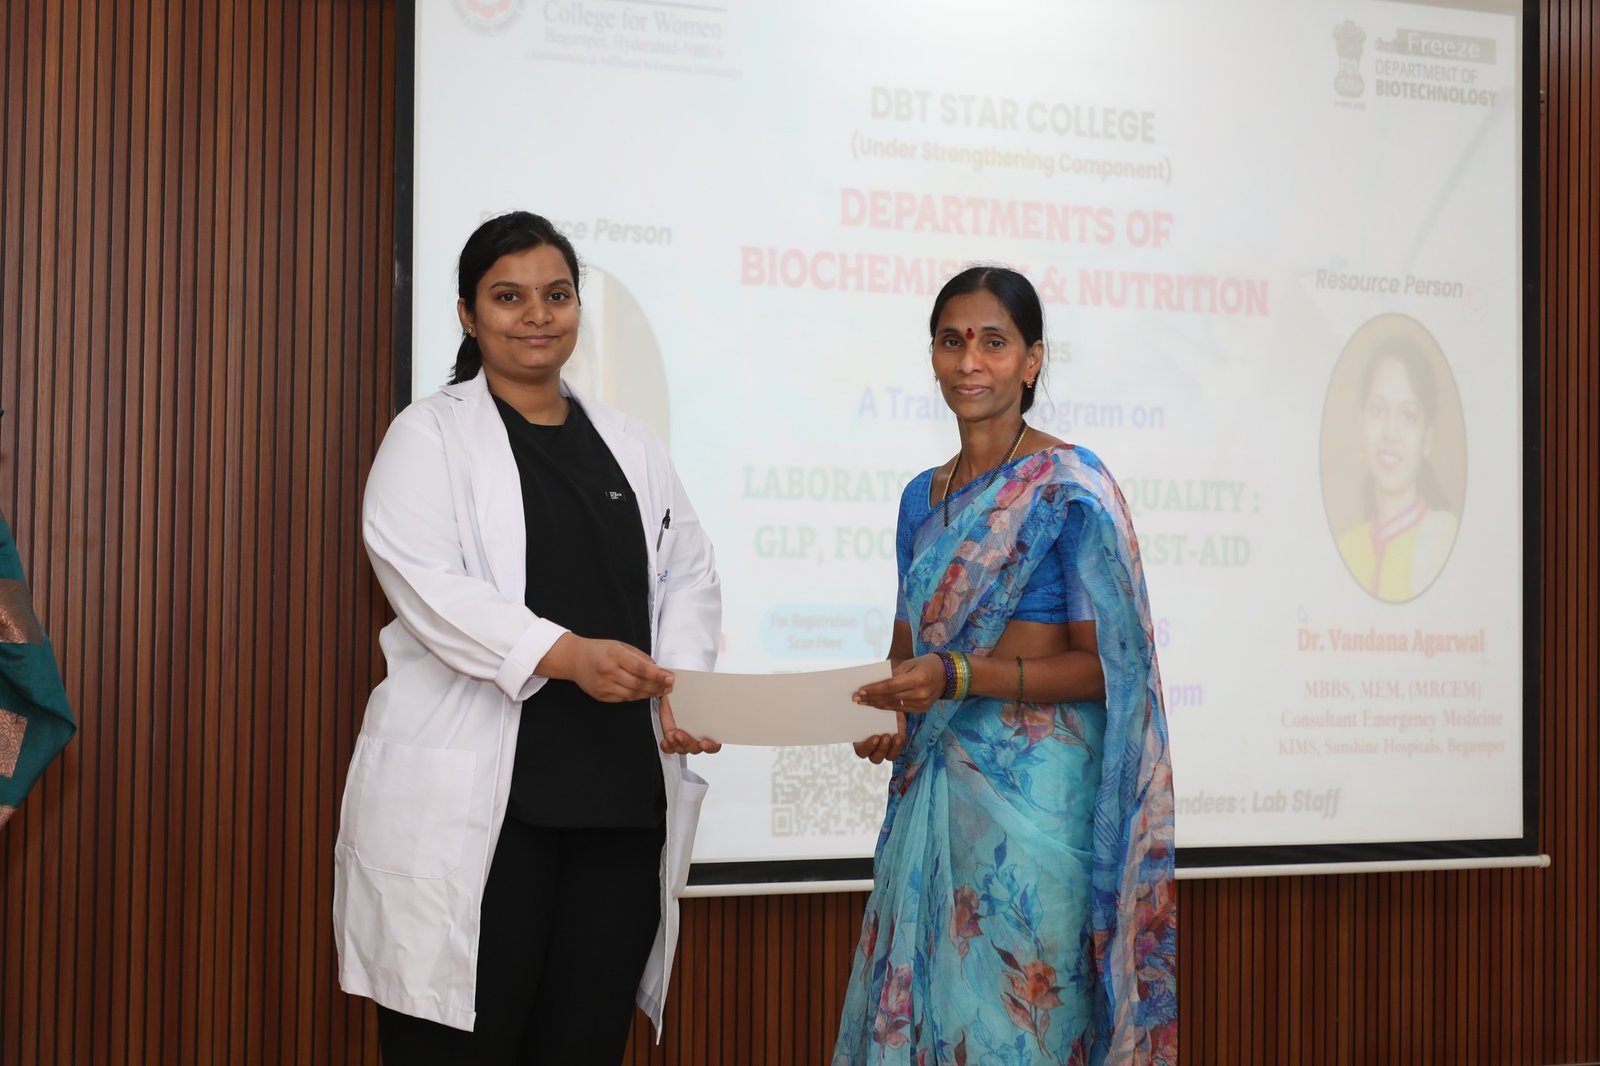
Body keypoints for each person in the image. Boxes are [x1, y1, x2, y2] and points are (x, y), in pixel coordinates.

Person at [332, 211, 722, 1064]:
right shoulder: (428, 435)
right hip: (489, 813)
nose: (537, 315)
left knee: (582, 1044)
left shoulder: (630, 443)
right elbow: (429, 587)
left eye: (557, 294)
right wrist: (570, 656)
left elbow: (689, 573)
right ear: (468, 315)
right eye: (508, 297)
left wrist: (683, 685)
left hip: (618, 805)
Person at [833, 267, 1177, 1065]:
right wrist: (890, 714)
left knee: (1026, 1031)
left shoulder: (1071, 488)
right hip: (938, 794)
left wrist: (957, 678)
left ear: (1032, 360)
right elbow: (907, 651)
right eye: (951, 341)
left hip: (1040, 811)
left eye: (993, 342)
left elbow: (1106, 670)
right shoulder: (920, 498)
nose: (969, 362)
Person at [1335, 338, 1458, 602]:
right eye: (1378, 410)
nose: (1390, 433)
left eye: (1407, 416)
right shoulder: (1345, 549)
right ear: (1361, 425)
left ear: (1426, 440)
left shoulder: (1443, 540)